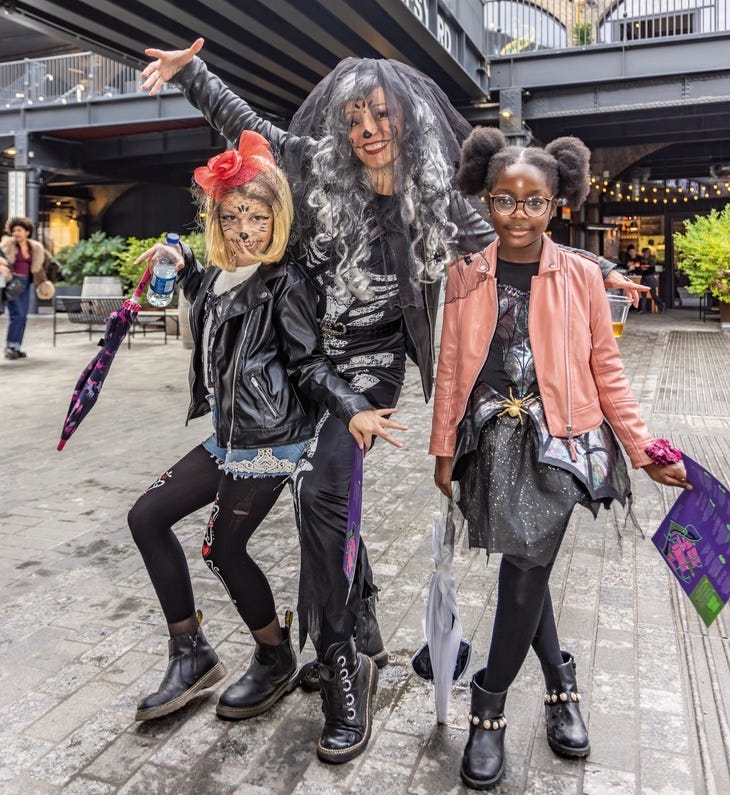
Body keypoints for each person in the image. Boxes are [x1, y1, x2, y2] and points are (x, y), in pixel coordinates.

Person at [140, 38, 647, 763]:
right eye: (354, 118)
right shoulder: (317, 167)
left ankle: (346, 661)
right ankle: (342, 628)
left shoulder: (435, 197)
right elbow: (245, 121)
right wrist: (193, 73)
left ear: (405, 120)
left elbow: (514, 238)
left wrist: (599, 269)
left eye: (381, 114)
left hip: (372, 369)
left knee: (321, 488)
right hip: (299, 361)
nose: (368, 128)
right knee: (311, 494)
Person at [430, 127, 690, 790]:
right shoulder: (465, 273)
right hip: (491, 440)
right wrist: (443, 449)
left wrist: (644, 446)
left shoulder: (579, 275)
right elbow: (454, 367)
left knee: (523, 570)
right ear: (486, 200)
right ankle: (560, 680)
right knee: (527, 564)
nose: (519, 213)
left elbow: (607, 368)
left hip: (564, 444)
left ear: (556, 204)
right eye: (505, 199)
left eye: (534, 201)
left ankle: (488, 709)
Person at [127, 132, 404, 732]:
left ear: (277, 218)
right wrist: (177, 264)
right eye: (230, 216)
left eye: (256, 216)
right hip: (228, 437)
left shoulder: (287, 280)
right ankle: (191, 650)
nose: (242, 229)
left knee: (223, 547)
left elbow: (308, 364)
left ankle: (274, 656)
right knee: (146, 516)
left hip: (272, 441)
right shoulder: (217, 278)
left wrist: (352, 406)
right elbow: (187, 315)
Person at [0, 217, 53, 359]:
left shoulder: (34, 247)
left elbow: (37, 267)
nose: (16, 233)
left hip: (26, 283)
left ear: (27, 232)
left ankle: (16, 347)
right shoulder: (7, 245)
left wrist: (43, 283)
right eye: (14, 230)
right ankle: (10, 347)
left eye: (19, 230)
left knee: (23, 316)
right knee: (17, 315)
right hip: (12, 283)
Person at [637, 246, 665, 312]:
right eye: (644, 253)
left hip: (650, 278)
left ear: (649, 253)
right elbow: (639, 269)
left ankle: (661, 306)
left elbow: (651, 269)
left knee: (653, 295)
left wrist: (644, 268)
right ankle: (643, 309)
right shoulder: (641, 260)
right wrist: (644, 268)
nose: (645, 254)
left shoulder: (652, 260)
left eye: (646, 253)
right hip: (644, 278)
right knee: (643, 295)